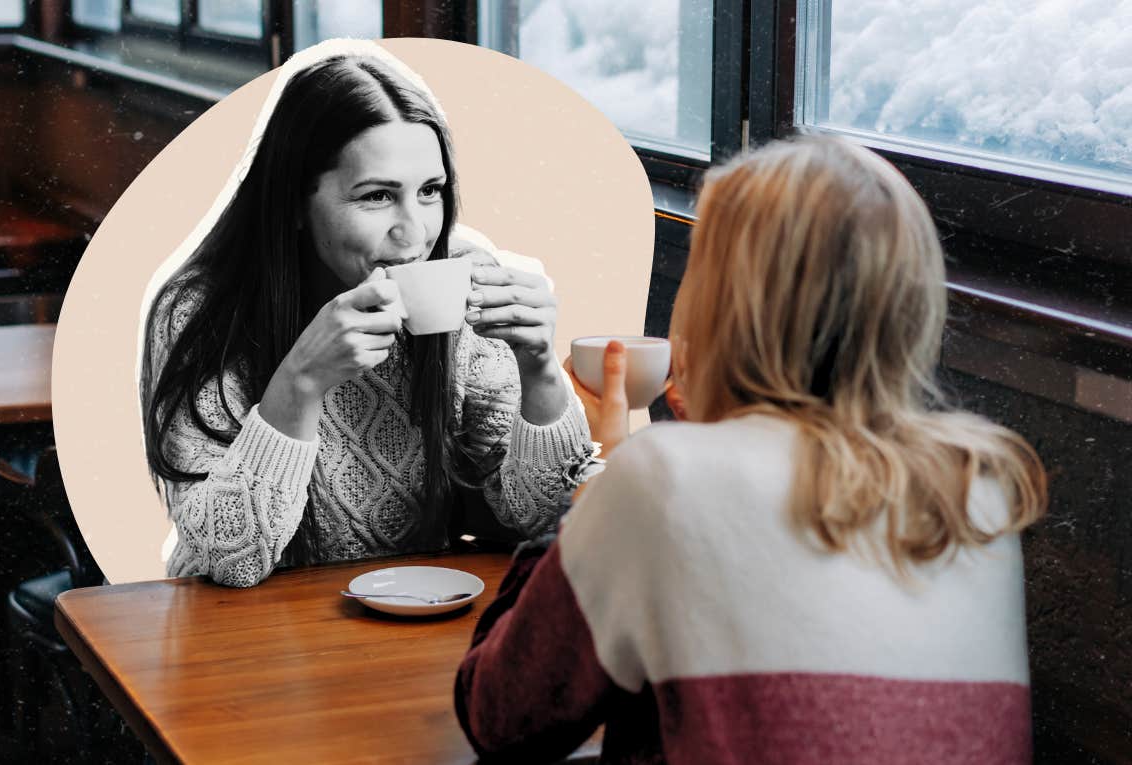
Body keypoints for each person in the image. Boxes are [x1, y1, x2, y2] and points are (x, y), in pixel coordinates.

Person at [455, 135, 1048, 763]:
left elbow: (501, 718)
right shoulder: (978, 487)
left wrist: (586, 505)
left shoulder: (662, 479)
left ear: (719, 309)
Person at [139, 45, 594, 588]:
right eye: (377, 196)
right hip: (242, 635)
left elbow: (548, 523)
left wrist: (540, 371)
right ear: (294, 205)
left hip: (415, 623)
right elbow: (225, 561)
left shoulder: (464, 287)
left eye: (430, 192)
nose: (415, 233)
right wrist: (300, 384)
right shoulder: (201, 313)